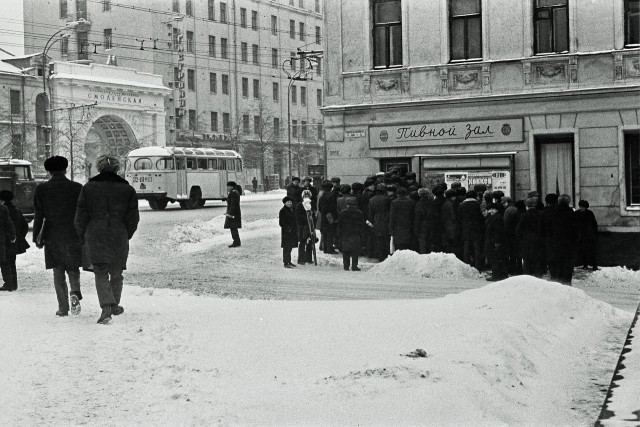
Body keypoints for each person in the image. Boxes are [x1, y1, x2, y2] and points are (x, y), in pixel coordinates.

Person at [75, 155, 140, 324]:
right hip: (118, 234)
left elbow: (80, 216)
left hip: (95, 233)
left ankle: (106, 308)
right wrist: (127, 233)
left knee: (100, 271)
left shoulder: (89, 188)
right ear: (117, 168)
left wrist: (83, 235)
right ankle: (114, 305)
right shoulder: (127, 189)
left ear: (99, 167)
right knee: (117, 271)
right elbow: (133, 218)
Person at [33, 155, 84, 317]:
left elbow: (38, 215)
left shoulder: (42, 189)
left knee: (58, 271)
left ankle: (63, 308)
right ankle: (75, 292)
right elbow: (83, 213)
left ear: (49, 171)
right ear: (65, 169)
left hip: (53, 233)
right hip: (73, 233)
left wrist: (37, 237)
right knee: (73, 268)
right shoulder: (77, 187)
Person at [0, 190, 27, 291]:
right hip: (14, 241)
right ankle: (14, 284)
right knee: (12, 262)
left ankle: (8, 283)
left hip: (4, 242)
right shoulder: (17, 210)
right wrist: (19, 237)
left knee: (4, 263)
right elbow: (24, 226)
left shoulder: (3, 209)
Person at [549, 194, 578, 285]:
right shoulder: (572, 213)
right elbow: (576, 230)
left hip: (555, 243)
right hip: (568, 244)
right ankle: (567, 282)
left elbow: (549, 228)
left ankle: (557, 282)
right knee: (567, 265)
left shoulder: (553, 213)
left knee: (557, 264)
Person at [517, 197, 545, 277]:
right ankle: (538, 277)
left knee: (527, 262)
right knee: (538, 262)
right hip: (539, 241)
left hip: (526, 242)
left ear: (527, 206)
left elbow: (518, 230)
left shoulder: (523, 215)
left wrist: (521, 239)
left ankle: (528, 279)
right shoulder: (541, 214)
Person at [457, 190, 484, 271]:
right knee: (477, 248)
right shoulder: (478, 205)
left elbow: (458, 219)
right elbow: (481, 218)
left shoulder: (461, 205)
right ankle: (478, 266)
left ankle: (466, 266)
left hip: (465, 230)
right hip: (476, 230)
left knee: (466, 248)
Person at [338, 197, 366, 271]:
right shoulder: (359, 212)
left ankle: (346, 266)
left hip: (345, 233)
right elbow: (362, 224)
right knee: (355, 251)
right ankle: (354, 266)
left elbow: (340, 224)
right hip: (356, 233)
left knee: (345, 250)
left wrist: (339, 233)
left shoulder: (343, 212)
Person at [368, 183, 392, 261]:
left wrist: (371, 222)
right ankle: (387, 256)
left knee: (378, 239)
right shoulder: (388, 199)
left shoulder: (372, 199)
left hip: (376, 220)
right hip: (386, 220)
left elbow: (370, 213)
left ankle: (380, 256)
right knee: (386, 239)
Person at [485, 202, 507, 281]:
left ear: (496, 209)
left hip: (494, 241)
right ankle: (500, 274)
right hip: (492, 241)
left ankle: (496, 275)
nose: (491, 211)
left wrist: (497, 242)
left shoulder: (497, 218)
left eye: (493, 209)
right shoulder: (493, 216)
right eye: (490, 209)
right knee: (496, 258)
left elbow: (498, 231)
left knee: (495, 258)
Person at [389, 186, 415, 251]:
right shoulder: (411, 202)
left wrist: (391, 228)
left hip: (398, 226)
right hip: (409, 225)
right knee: (408, 245)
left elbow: (392, 216)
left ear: (397, 194)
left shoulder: (394, 202)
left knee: (399, 245)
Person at [576, 200, 599, 271]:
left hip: (589, 235)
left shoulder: (590, 213)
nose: (581, 208)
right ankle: (585, 264)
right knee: (583, 251)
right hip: (581, 235)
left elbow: (594, 224)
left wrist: (594, 233)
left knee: (591, 251)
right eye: (580, 207)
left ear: (586, 207)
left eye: (582, 207)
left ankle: (594, 266)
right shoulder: (576, 213)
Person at [502, 196, 522, 275]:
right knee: (516, 254)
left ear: (507, 202)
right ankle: (518, 270)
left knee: (511, 254)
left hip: (509, 235)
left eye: (503, 203)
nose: (503, 205)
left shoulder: (508, 210)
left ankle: (512, 270)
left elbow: (505, 223)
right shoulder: (515, 208)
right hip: (515, 234)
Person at [295, 190, 315, 264]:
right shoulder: (299, 205)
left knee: (310, 242)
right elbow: (297, 216)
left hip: (310, 226)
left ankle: (308, 258)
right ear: (303, 197)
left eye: (308, 196)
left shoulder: (312, 204)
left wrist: (312, 219)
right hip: (302, 226)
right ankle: (301, 259)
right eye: (305, 196)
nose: (306, 197)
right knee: (302, 242)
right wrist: (306, 217)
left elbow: (314, 215)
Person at [318, 180, 338, 254]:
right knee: (330, 233)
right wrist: (335, 217)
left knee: (325, 232)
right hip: (331, 216)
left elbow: (320, 207)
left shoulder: (322, 196)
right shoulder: (332, 195)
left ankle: (325, 248)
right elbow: (334, 207)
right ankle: (330, 248)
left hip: (324, 216)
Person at [279, 196, 298, 269]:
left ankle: (289, 261)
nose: (289, 203)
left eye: (290, 202)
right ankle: (286, 262)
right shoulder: (283, 211)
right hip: (286, 232)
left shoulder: (292, 209)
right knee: (286, 247)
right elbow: (281, 222)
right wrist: (288, 229)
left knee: (290, 247)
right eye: (288, 202)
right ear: (285, 203)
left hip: (292, 231)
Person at [224, 181, 242, 248]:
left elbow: (233, 204)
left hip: (233, 214)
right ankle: (237, 241)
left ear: (232, 186)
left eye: (228, 186)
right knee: (234, 228)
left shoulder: (233, 193)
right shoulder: (235, 192)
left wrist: (230, 214)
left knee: (233, 228)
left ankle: (236, 241)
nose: (227, 188)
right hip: (235, 213)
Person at [441, 189, 457, 254]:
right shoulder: (450, 204)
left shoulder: (445, 204)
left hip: (446, 225)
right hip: (450, 226)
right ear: (451, 196)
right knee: (451, 242)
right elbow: (453, 217)